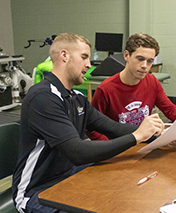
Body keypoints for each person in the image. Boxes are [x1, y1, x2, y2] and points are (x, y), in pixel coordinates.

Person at [12, 32, 165, 213]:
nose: (89, 65)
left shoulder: (76, 98)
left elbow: (113, 128)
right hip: (36, 191)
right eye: (84, 57)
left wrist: (158, 135)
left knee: (123, 186)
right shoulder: (43, 97)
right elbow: (78, 152)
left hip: (69, 177)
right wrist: (137, 136)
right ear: (64, 56)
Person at [89, 33, 176, 142]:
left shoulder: (152, 81)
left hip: (144, 143)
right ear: (126, 55)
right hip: (118, 147)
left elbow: (169, 109)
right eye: (140, 59)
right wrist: (110, 148)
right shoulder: (105, 89)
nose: (144, 66)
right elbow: (91, 128)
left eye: (149, 61)